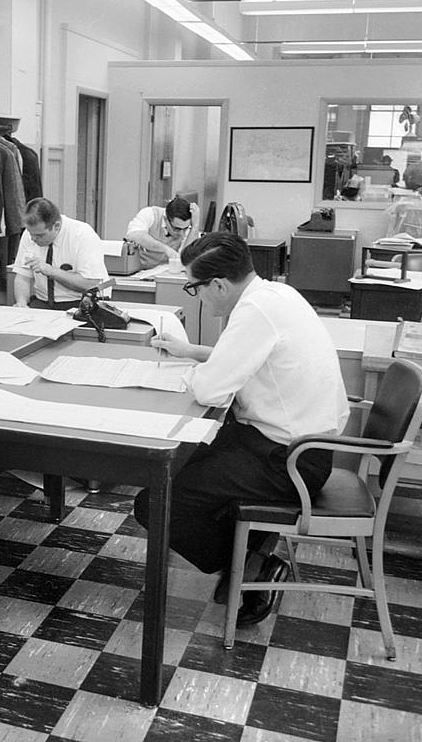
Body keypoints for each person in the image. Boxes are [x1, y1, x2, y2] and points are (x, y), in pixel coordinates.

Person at [135, 232, 348, 627]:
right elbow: (254, 359)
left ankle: (252, 565)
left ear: (217, 284)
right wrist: (193, 352)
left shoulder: (253, 313)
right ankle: (245, 549)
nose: (196, 296)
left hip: (289, 462)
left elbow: (210, 389)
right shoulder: (275, 295)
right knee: (181, 465)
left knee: (155, 501)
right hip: (293, 444)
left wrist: (197, 371)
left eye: (193, 288)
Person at [12, 197, 109, 309]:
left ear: (56, 226)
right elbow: (22, 276)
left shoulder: (82, 234)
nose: (33, 239)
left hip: (82, 302)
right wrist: (21, 302)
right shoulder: (30, 234)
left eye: (40, 236)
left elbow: (90, 284)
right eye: (30, 234)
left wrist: (51, 271)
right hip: (43, 301)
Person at [124, 195, 200, 270]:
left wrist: (195, 226)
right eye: (177, 229)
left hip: (165, 272)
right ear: (166, 219)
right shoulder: (150, 213)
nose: (182, 234)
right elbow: (133, 235)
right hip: (139, 271)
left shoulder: (186, 226)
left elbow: (186, 257)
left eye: (185, 229)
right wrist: (166, 249)